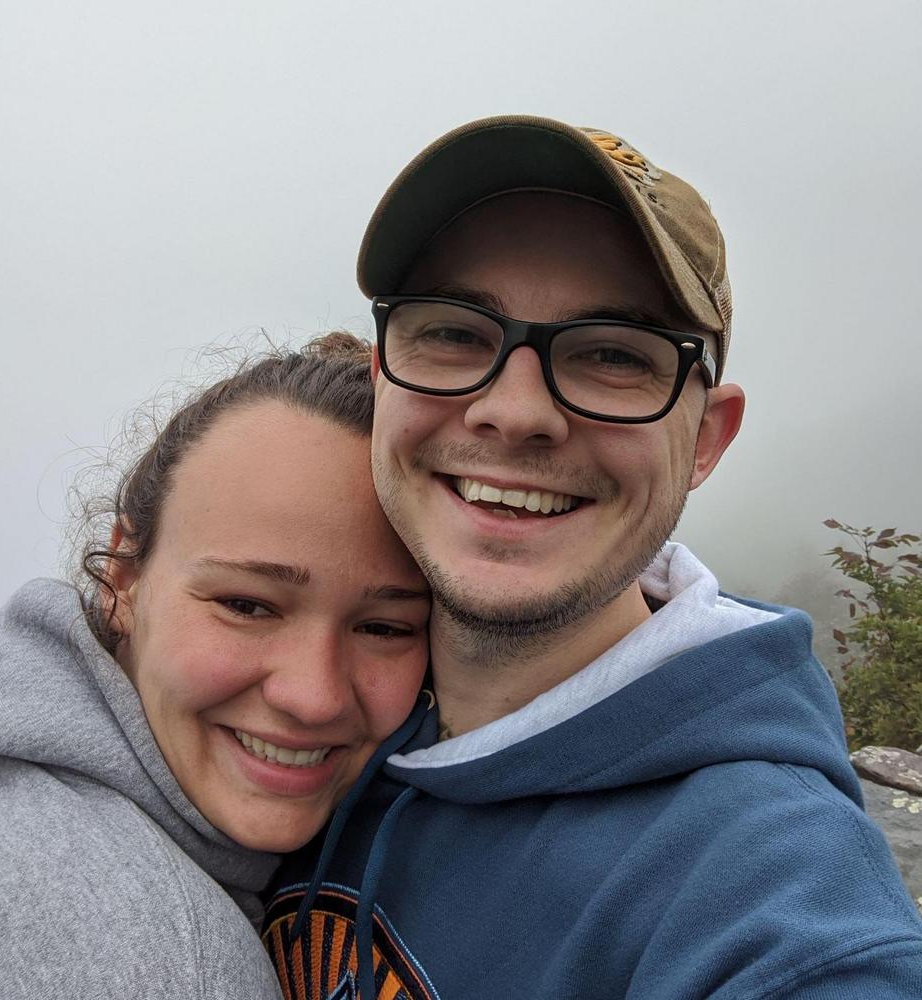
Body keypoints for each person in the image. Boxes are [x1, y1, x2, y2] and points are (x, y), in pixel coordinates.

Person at [268, 117, 922, 998]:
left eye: (613, 354)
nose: (515, 413)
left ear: (706, 438)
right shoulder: (297, 715)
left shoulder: (761, 883)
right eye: (455, 333)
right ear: (385, 376)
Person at [0, 335, 431, 999]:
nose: (314, 696)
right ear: (123, 578)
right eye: (246, 605)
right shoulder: (162, 958)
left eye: (384, 628)